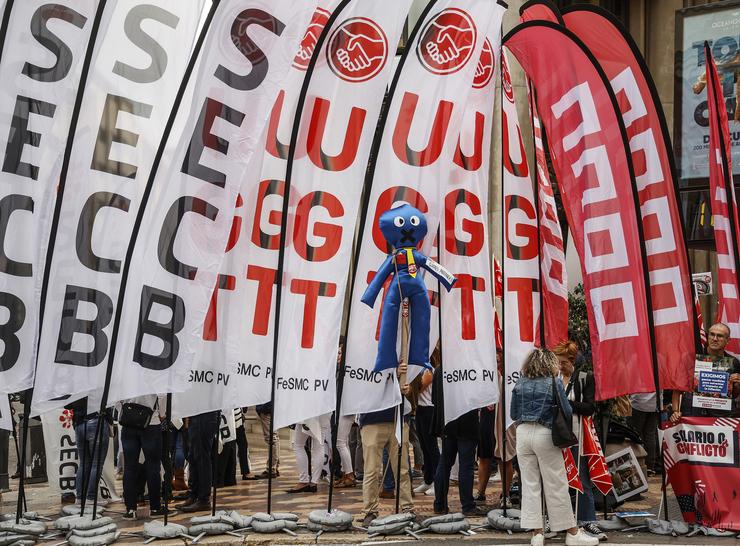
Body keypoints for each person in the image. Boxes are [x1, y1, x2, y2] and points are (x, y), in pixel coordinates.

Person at [511, 348, 599, 546]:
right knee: (556, 484)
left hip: (523, 434)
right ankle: (572, 533)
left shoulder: (520, 382)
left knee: (531, 485)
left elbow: (513, 413)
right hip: (545, 432)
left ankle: (537, 534)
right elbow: (567, 411)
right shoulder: (554, 382)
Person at [554, 341, 605, 540]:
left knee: (581, 477)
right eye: (557, 362)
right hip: (557, 435)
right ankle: (558, 520)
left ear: (572, 361)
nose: (560, 366)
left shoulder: (585, 378)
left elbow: (590, 408)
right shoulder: (554, 378)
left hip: (578, 435)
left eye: (563, 363)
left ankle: (587, 520)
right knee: (557, 479)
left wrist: (567, 404)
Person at [358, 362, 414, 527]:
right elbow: (365, 383)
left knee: (402, 469)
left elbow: (406, 388)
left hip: (397, 419)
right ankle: (370, 510)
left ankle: (407, 508)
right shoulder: (363, 356)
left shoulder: (396, 355)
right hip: (372, 420)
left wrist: (405, 388)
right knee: (371, 471)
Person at [431, 355, 485, 516]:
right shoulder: (470, 370)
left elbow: (434, 399)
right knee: (466, 465)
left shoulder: (440, 370)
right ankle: (467, 505)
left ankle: (440, 504)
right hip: (467, 421)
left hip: (447, 421)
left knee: (444, 463)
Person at [672, 322, 740, 421]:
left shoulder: (734, 362)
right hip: (692, 414)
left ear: (728, 340)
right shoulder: (690, 358)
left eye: (720, 336)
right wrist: (675, 411)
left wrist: (738, 385)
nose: (715, 338)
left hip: (721, 415)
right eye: (712, 334)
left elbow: (733, 394)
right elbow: (677, 387)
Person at [119, 395, 167, 519]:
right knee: (153, 467)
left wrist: (124, 410)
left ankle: (130, 510)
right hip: (151, 421)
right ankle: (155, 508)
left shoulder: (125, 375)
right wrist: (162, 413)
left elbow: (118, 396)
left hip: (128, 422)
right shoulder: (154, 374)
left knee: (129, 468)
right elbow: (162, 395)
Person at [66, 397, 111, 506]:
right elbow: (107, 400)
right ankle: (91, 498)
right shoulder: (96, 381)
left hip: (79, 424)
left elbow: (67, 404)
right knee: (96, 464)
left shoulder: (74, 382)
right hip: (96, 421)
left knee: (84, 463)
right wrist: (110, 421)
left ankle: (80, 497)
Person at [178, 410, 219, 512]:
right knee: (193, 457)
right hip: (196, 414)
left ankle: (204, 499)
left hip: (206, 414)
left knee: (202, 458)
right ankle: (194, 495)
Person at [412, 356, 438, 496]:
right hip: (420, 410)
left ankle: (436, 481)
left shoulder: (428, 370)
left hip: (429, 410)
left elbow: (419, 388)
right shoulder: (418, 370)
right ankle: (428, 479)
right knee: (424, 446)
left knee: (431, 446)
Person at [246, 403, 279, 479]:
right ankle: (274, 467)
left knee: (271, 439)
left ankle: (271, 469)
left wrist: (261, 408)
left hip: (267, 409)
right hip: (269, 408)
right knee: (274, 437)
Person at [628, 393, 658, 475]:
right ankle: (650, 466)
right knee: (650, 435)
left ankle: (638, 463)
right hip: (654, 405)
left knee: (636, 435)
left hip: (638, 403)